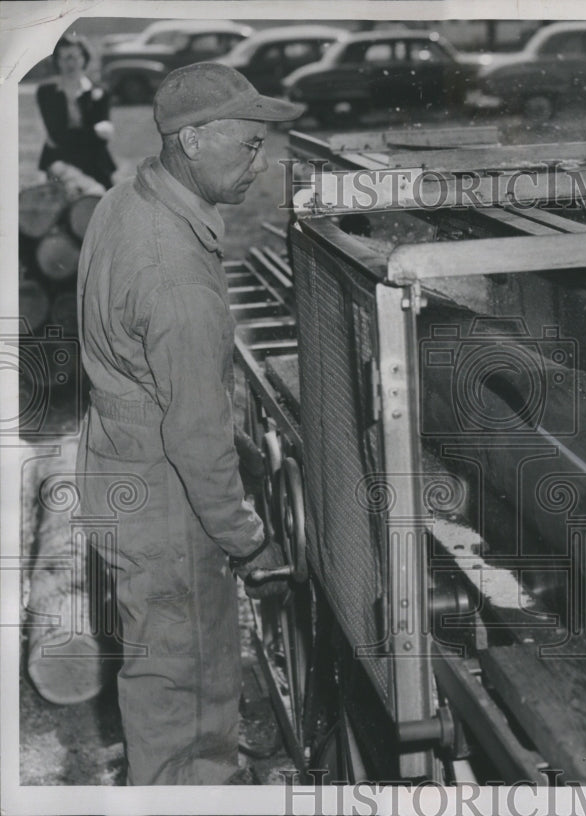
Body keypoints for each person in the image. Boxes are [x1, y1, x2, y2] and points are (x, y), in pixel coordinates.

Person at [75, 62, 305, 785]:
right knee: (187, 683)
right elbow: (194, 436)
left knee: (163, 667)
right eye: (248, 145)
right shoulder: (172, 270)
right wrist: (250, 538)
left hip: (120, 466)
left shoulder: (126, 200)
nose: (259, 161)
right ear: (194, 139)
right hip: (168, 502)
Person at [37, 33, 117, 193]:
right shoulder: (46, 92)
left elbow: (103, 139)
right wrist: (94, 132)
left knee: (106, 207)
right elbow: (57, 135)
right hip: (60, 162)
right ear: (57, 61)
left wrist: (71, 135)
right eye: (64, 57)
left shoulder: (100, 92)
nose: (70, 63)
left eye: (74, 56)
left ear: (84, 57)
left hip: (96, 162)